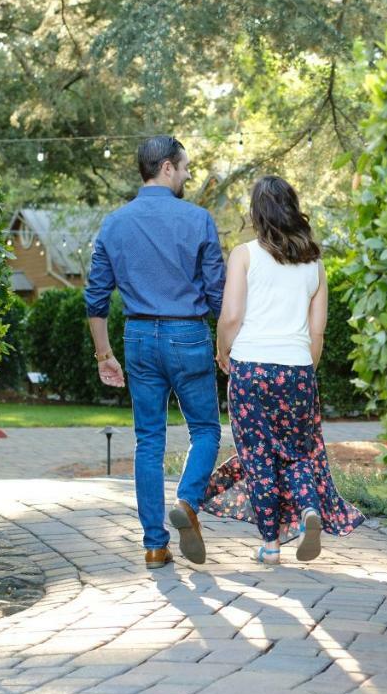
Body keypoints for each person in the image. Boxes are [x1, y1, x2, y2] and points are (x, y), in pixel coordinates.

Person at [202, 175, 364, 564]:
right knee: (297, 453)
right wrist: (305, 370)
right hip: (297, 369)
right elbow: (317, 330)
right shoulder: (315, 264)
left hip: (251, 369)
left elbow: (231, 315)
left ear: (257, 213)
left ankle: (271, 545)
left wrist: (223, 351)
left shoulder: (244, 254)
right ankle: (310, 511)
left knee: (258, 455)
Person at [84, 135, 225, 570]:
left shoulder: (114, 223)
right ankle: (187, 498)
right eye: (184, 168)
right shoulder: (199, 220)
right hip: (188, 335)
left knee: (149, 440)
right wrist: (226, 347)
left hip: (139, 337)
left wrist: (104, 354)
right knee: (205, 429)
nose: (186, 175)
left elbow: (95, 296)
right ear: (166, 167)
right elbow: (218, 294)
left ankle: (154, 545)